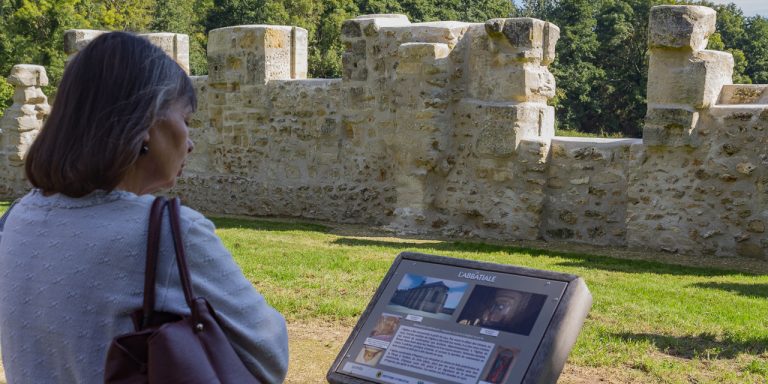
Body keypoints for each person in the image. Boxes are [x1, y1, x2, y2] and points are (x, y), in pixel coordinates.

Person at [0, 32, 288, 383]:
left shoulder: (15, 220)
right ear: (149, 120)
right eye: (187, 120)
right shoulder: (169, 232)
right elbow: (269, 356)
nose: (191, 142)